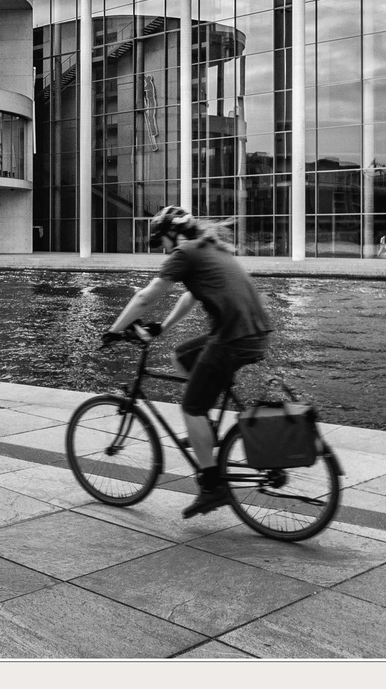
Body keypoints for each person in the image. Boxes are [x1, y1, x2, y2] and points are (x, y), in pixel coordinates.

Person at [103, 205, 273, 518]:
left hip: (233, 339)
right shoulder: (209, 247)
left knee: (191, 407)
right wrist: (162, 327)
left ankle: (211, 486)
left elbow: (146, 296)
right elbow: (190, 296)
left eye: (161, 241)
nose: (163, 249)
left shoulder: (185, 252)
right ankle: (205, 429)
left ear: (171, 233)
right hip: (251, 333)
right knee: (181, 355)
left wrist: (115, 330)